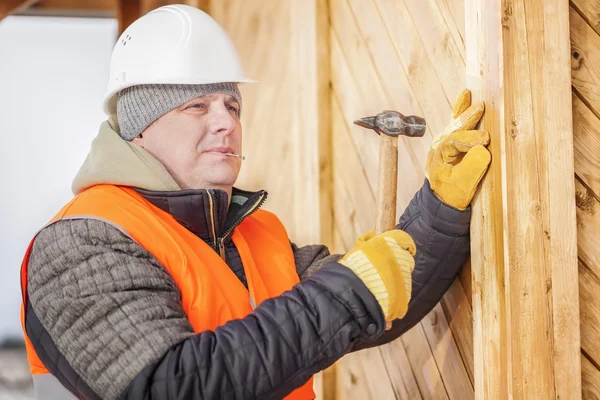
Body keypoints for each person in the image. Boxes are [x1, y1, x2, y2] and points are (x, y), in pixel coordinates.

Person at [19, 4, 491, 400]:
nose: (226, 122)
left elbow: (380, 298)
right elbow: (171, 385)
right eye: (197, 106)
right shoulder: (84, 243)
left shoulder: (252, 235)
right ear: (140, 127)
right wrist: (354, 292)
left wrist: (440, 206)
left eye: (232, 106)